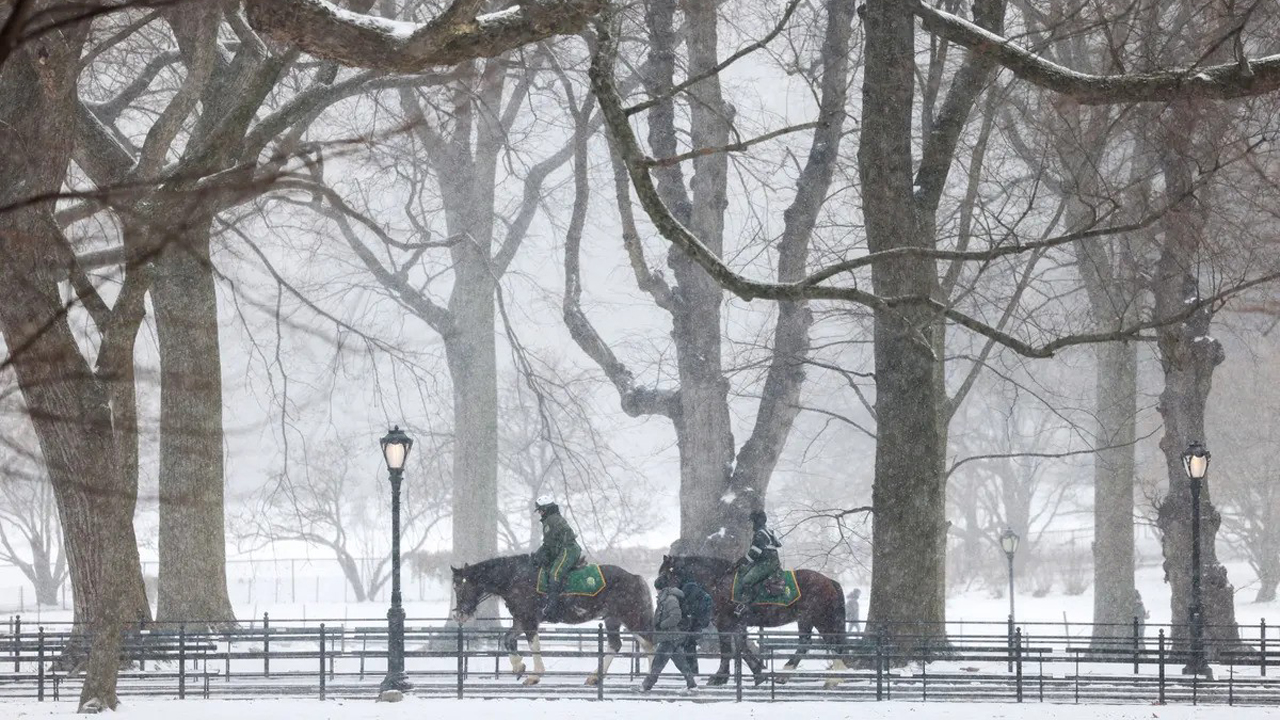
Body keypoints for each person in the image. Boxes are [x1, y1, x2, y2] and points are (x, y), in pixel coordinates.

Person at [641, 579, 698, 692]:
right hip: (671, 636)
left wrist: (662, 625)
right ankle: (692, 684)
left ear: (659, 588)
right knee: (681, 663)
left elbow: (676, 616)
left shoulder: (670, 599)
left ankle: (646, 686)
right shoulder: (666, 598)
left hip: (669, 637)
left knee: (657, 663)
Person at [532, 495, 580, 623]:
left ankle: (552, 608)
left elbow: (550, 545)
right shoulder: (551, 519)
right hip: (563, 549)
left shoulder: (550, 521)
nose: (540, 513)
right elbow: (549, 544)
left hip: (568, 549)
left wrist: (539, 555)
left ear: (546, 509)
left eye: (541, 510)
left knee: (555, 573)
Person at [735, 508, 782, 616]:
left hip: (767, 564)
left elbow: (754, 554)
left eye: (752, 522)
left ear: (757, 522)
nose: (752, 525)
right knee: (742, 571)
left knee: (747, 580)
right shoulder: (768, 531)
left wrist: (741, 562)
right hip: (767, 562)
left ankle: (745, 605)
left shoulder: (760, 534)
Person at [679, 580, 713, 673]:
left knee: (688, 647)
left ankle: (691, 671)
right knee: (690, 647)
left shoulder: (687, 592)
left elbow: (689, 610)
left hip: (692, 625)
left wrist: (689, 618)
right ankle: (692, 670)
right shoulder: (702, 595)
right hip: (696, 625)